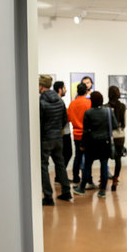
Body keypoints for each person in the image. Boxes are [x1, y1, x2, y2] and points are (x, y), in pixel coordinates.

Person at [73, 92, 118, 198]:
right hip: (105, 143)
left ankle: (82, 188)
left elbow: (85, 131)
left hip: (91, 143)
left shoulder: (88, 113)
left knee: (87, 165)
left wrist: (82, 144)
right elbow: (115, 125)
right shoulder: (108, 111)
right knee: (104, 165)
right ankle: (102, 190)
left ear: (92, 100)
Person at [39, 75, 73, 206]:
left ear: (41, 86)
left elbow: (40, 122)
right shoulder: (60, 101)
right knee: (60, 165)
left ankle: (48, 196)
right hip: (58, 138)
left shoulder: (41, 102)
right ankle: (66, 191)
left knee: (43, 167)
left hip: (46, 139)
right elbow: (64, 119)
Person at [67, 82, 96, 189]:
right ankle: (87, 179)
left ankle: (75, 178)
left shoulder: (72, 104)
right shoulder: (88, 103)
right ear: (86, 91)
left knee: (78, 156)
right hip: (87, 135)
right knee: (87, 158)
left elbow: (68, 118)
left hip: (76, 134)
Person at [107, 85, 127, 191]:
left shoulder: (105, 107)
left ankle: (103, 180)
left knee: (104, 158)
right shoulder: (122, 106)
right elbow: (125, 123)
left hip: (108, 136)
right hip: (119, 136)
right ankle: (115, 180)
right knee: (118, 159)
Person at [54, 81, 72, 183]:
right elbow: (63, 118)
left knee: (62, 155)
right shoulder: (59, 102)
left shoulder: (57, 101)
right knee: (67, 153)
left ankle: (60, 176)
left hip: (60, 133)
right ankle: (60, 177)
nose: (66, 90)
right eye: (64, 88)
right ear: (60, 89)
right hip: (63, 133)